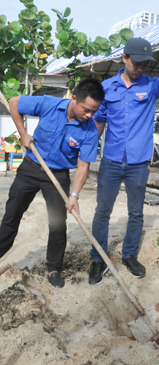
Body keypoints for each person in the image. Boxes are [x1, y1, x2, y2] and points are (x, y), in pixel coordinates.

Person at [88, 38, 159, 285]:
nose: (141, 68)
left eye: (145, 64)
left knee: (136, 212)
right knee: (102, 211)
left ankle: (129, 255)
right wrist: (89, 154)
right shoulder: (107, 87)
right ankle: (98, 259)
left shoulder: (151, 86)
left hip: (138, 162)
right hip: (110, 159)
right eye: (137, 63)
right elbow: (98, 122)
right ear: (124, 58)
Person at [0, 79, 104, 288]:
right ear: (73, 98)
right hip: (30, 167)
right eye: (86, 110)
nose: (90, 115)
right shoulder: (49, 104)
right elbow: (13, 102)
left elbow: (83, 167)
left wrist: (74, 195)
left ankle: (54, 268)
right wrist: (23, 134)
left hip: (57, 176)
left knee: (57, 224)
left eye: (94, 111)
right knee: (12, 215)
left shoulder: (90, 130)